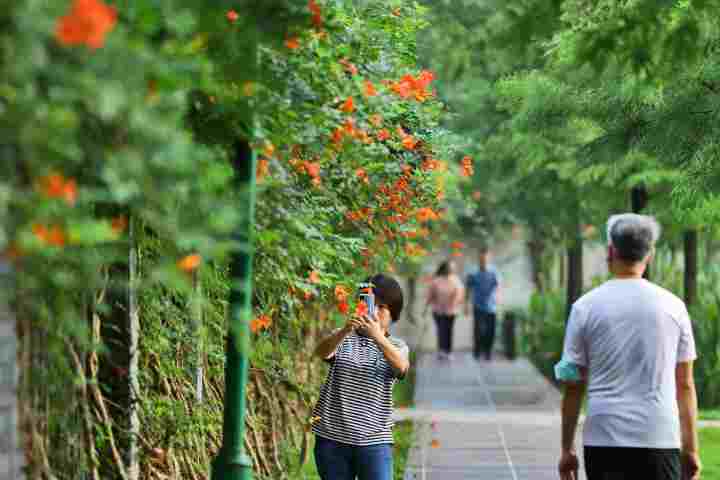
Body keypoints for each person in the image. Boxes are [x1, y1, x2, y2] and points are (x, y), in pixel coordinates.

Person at [557, 213, 701, 480]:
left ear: (610, 251)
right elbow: (685, 385)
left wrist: (567, 449)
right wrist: (691, 449)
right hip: (659, 436)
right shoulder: (674, 307)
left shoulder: (584, 307)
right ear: (651, 254)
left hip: (603, 437)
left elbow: (573, 383)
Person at [311, 273, 410, 480]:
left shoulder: (397, 346)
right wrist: (345, 330)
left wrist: (377, 336)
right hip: (332, 439)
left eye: (382, 307)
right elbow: (321, 352)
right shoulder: (344, 337)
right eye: (371, 304)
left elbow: (401, 367)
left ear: (393, 314)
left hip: (375, 441)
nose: (374, 311)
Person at [423, 259, 465, 361]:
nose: (451, 269)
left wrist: (453, 303)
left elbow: (459, 294)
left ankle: (448, 351)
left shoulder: (456, 280)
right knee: (441, 330)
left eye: (452, 267)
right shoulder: (436, 280)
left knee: (449, 330)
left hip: (451, 311)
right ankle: (441, 350)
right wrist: (425, 308)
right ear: (445, 268)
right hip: (438, 310)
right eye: (449, 267)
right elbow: (430, 294)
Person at [465, 247, 501, 361]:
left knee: (490, 331)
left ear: (489, 258)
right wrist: (466, 304)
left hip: (492, 306)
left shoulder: (494, 272)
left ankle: (488, 352)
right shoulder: (473, 272)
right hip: (478, 305)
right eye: (481, 258)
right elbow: (468, 288)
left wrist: (498, 299)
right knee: (478, 330)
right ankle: (477, 351)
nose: (483, 260)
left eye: (485, 258)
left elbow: (498, 286)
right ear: (479, 258)